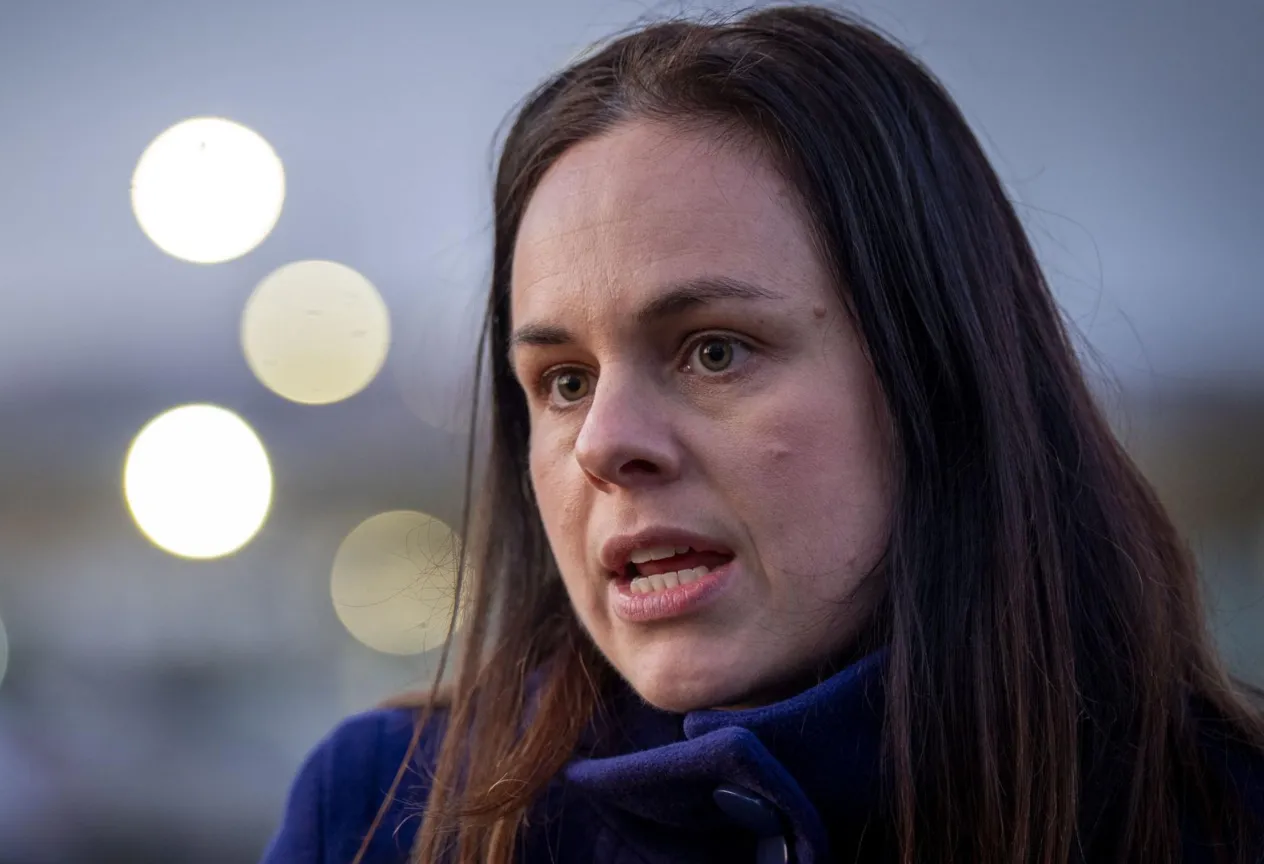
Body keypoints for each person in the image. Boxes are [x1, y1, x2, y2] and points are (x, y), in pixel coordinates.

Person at [262, 6, 1264, 863]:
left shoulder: (1221, 815)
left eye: (713, 352)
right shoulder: (380, 815)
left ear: (935, 377)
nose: (604, 444)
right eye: (563, 380)